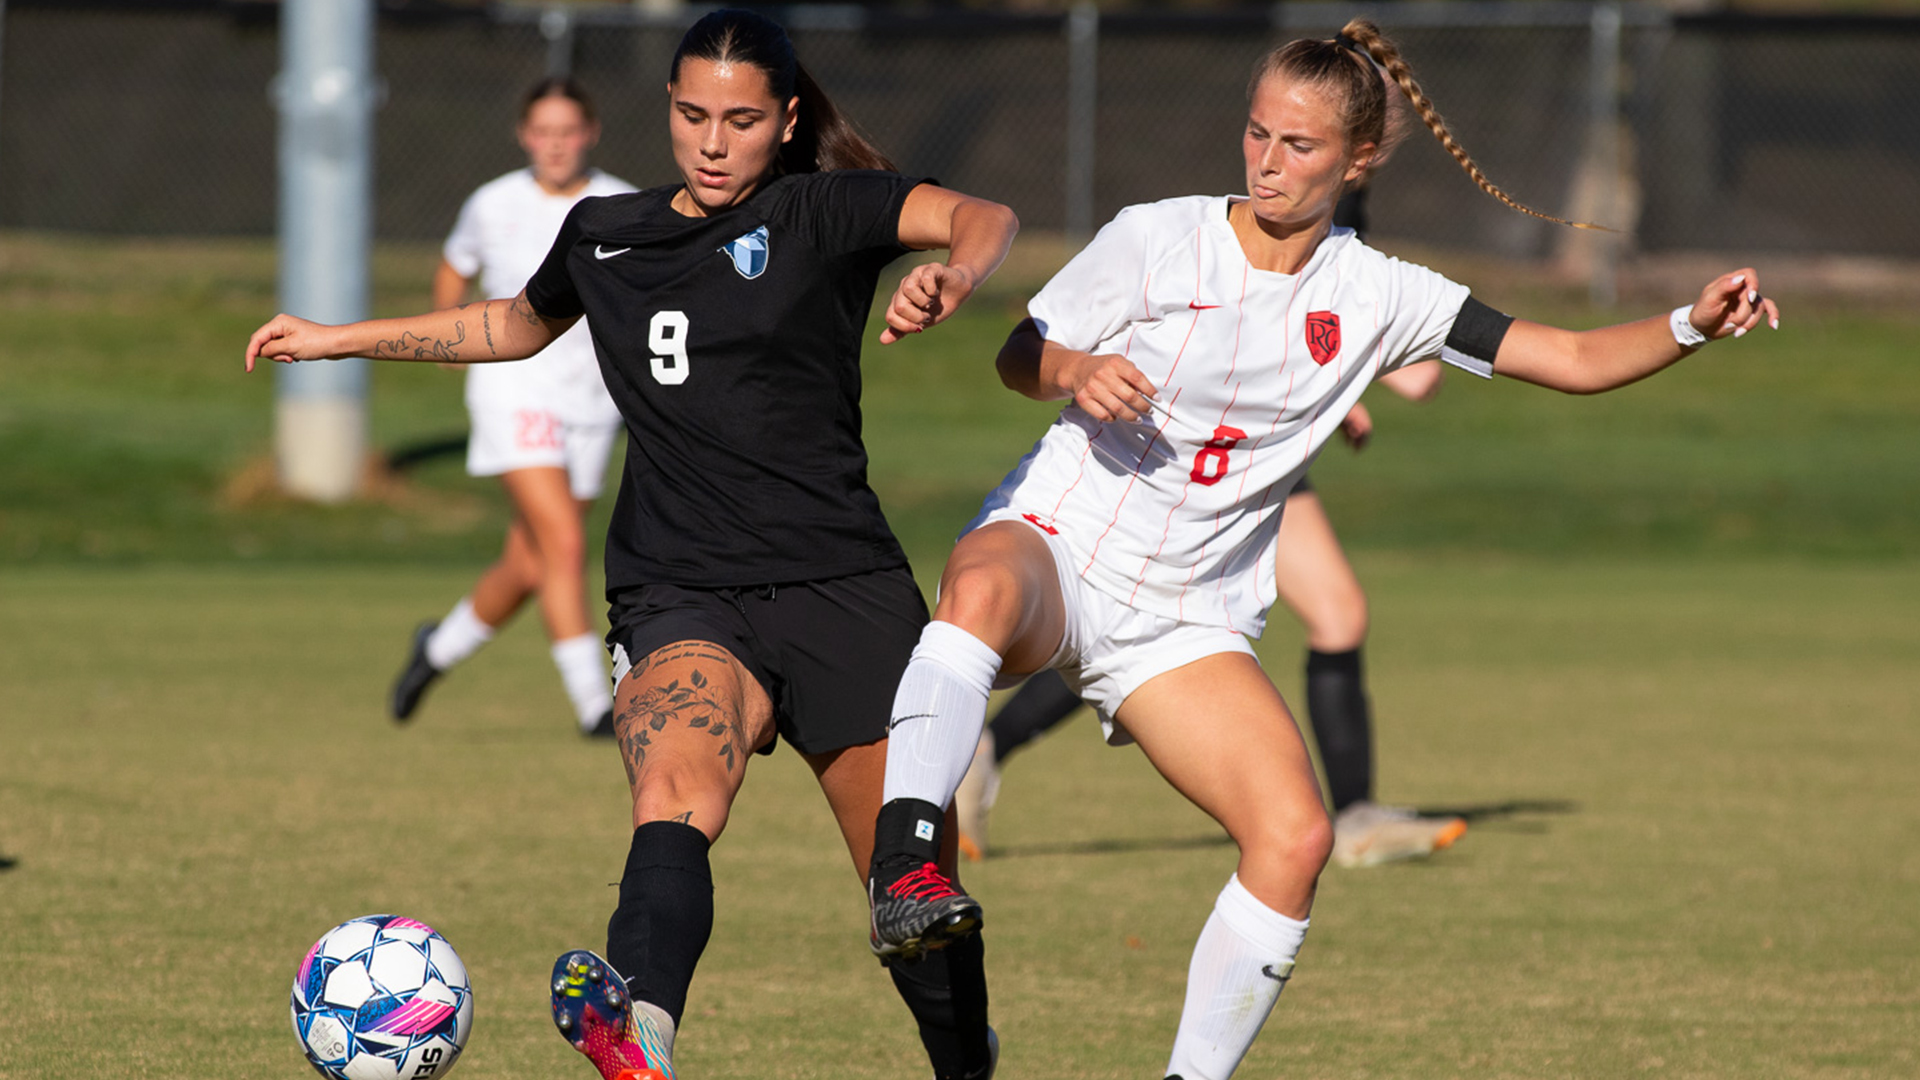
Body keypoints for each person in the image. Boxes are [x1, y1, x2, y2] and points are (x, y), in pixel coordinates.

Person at [860, 18, 1777, 1080]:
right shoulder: (1158, 235)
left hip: (1185, 617)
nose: (1266, 161)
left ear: (1359, 159)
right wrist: (1070, 372)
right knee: (974, 583)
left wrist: (1690, 324)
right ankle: (908, 867)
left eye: (1298, 146)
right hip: (1064, 543)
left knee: (1295, 836)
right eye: (1256, 134)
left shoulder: (1385, 296)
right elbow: (1023, 353)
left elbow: (1567, 355)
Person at [247, 11, 1019, 1080]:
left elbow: (983, 214)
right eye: (692, 114)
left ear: (787, 121)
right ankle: (642, 1035)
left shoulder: (825, 209)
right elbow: (514, 323)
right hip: (678, 586)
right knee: (674, 795)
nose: (712, 141)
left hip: (842, 587)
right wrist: (343, 337)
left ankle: (963, 1061)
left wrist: (959, 275)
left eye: (741, 120)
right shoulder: (607, 231)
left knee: (905, 897)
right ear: (667, 107)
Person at [952, 363, 1467, 870]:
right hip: (1198, 443)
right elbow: (1411, 374)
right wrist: (1346, 374)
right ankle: (987, 747)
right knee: (1130, 621)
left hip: (1265, 446)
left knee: (1339, 614)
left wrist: (1331, 385)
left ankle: (1356, 815)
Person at [389, 78, 637, 737]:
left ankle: (437, 648)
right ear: (524, 136)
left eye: (569, 132)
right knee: (563, 541)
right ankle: (593, 702)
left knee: (531, 562)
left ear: (591, 133)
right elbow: (453, 268)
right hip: (512, 390)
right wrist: (446, 331)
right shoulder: (491, 203)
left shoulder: (621, 203)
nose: (556, 146)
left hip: (592, 402)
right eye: (543, 133)